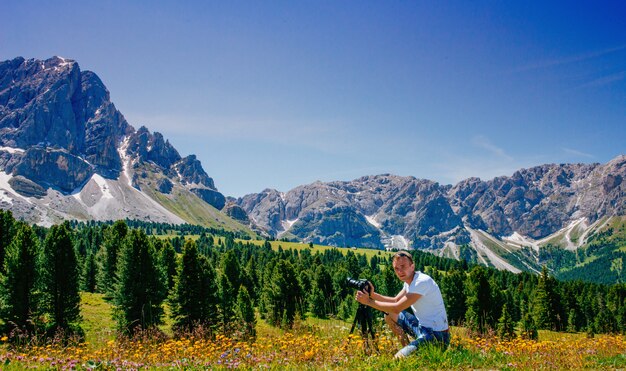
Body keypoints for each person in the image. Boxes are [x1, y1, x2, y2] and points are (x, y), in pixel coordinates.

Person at [355, 250, 450, 358]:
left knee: (398, 359)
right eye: (396, 268)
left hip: (437, 336)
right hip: (422, 327)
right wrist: (372, 294)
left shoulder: (421, 282)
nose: (400, 271)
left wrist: (368, 301)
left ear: (412, 266)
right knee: (388, 315)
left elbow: (397, 308)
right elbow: (395, 300)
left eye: (403, 266)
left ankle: (409, 353)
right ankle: (407, 347)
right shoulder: (409, 281)